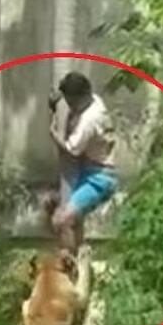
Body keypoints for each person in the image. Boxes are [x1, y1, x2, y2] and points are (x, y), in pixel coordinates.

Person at [43, 71, 118, 259]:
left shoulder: (89, 121)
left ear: (79, 98)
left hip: (99, 179)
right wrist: (56, 106)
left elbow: (71, 149)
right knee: (51, 204)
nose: (70, 108)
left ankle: (73, 263)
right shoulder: (95, 100)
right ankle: (77, 253)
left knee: (61, 221)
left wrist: (53, 134)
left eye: (70, 103)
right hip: (88, 170)